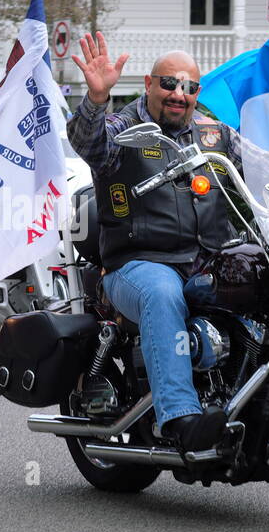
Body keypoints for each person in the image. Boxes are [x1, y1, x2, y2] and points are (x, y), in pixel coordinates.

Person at [67, 33, 244, 455]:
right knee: (163, 294)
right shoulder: (125, 129)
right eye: (169, 83)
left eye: (189, 87)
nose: (179, 94)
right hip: (138, 263)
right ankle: (180, 420)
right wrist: (96, 98)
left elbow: (261, 166)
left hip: (207, 260)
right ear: (148, 83)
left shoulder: (213, 133)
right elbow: (89, 144)